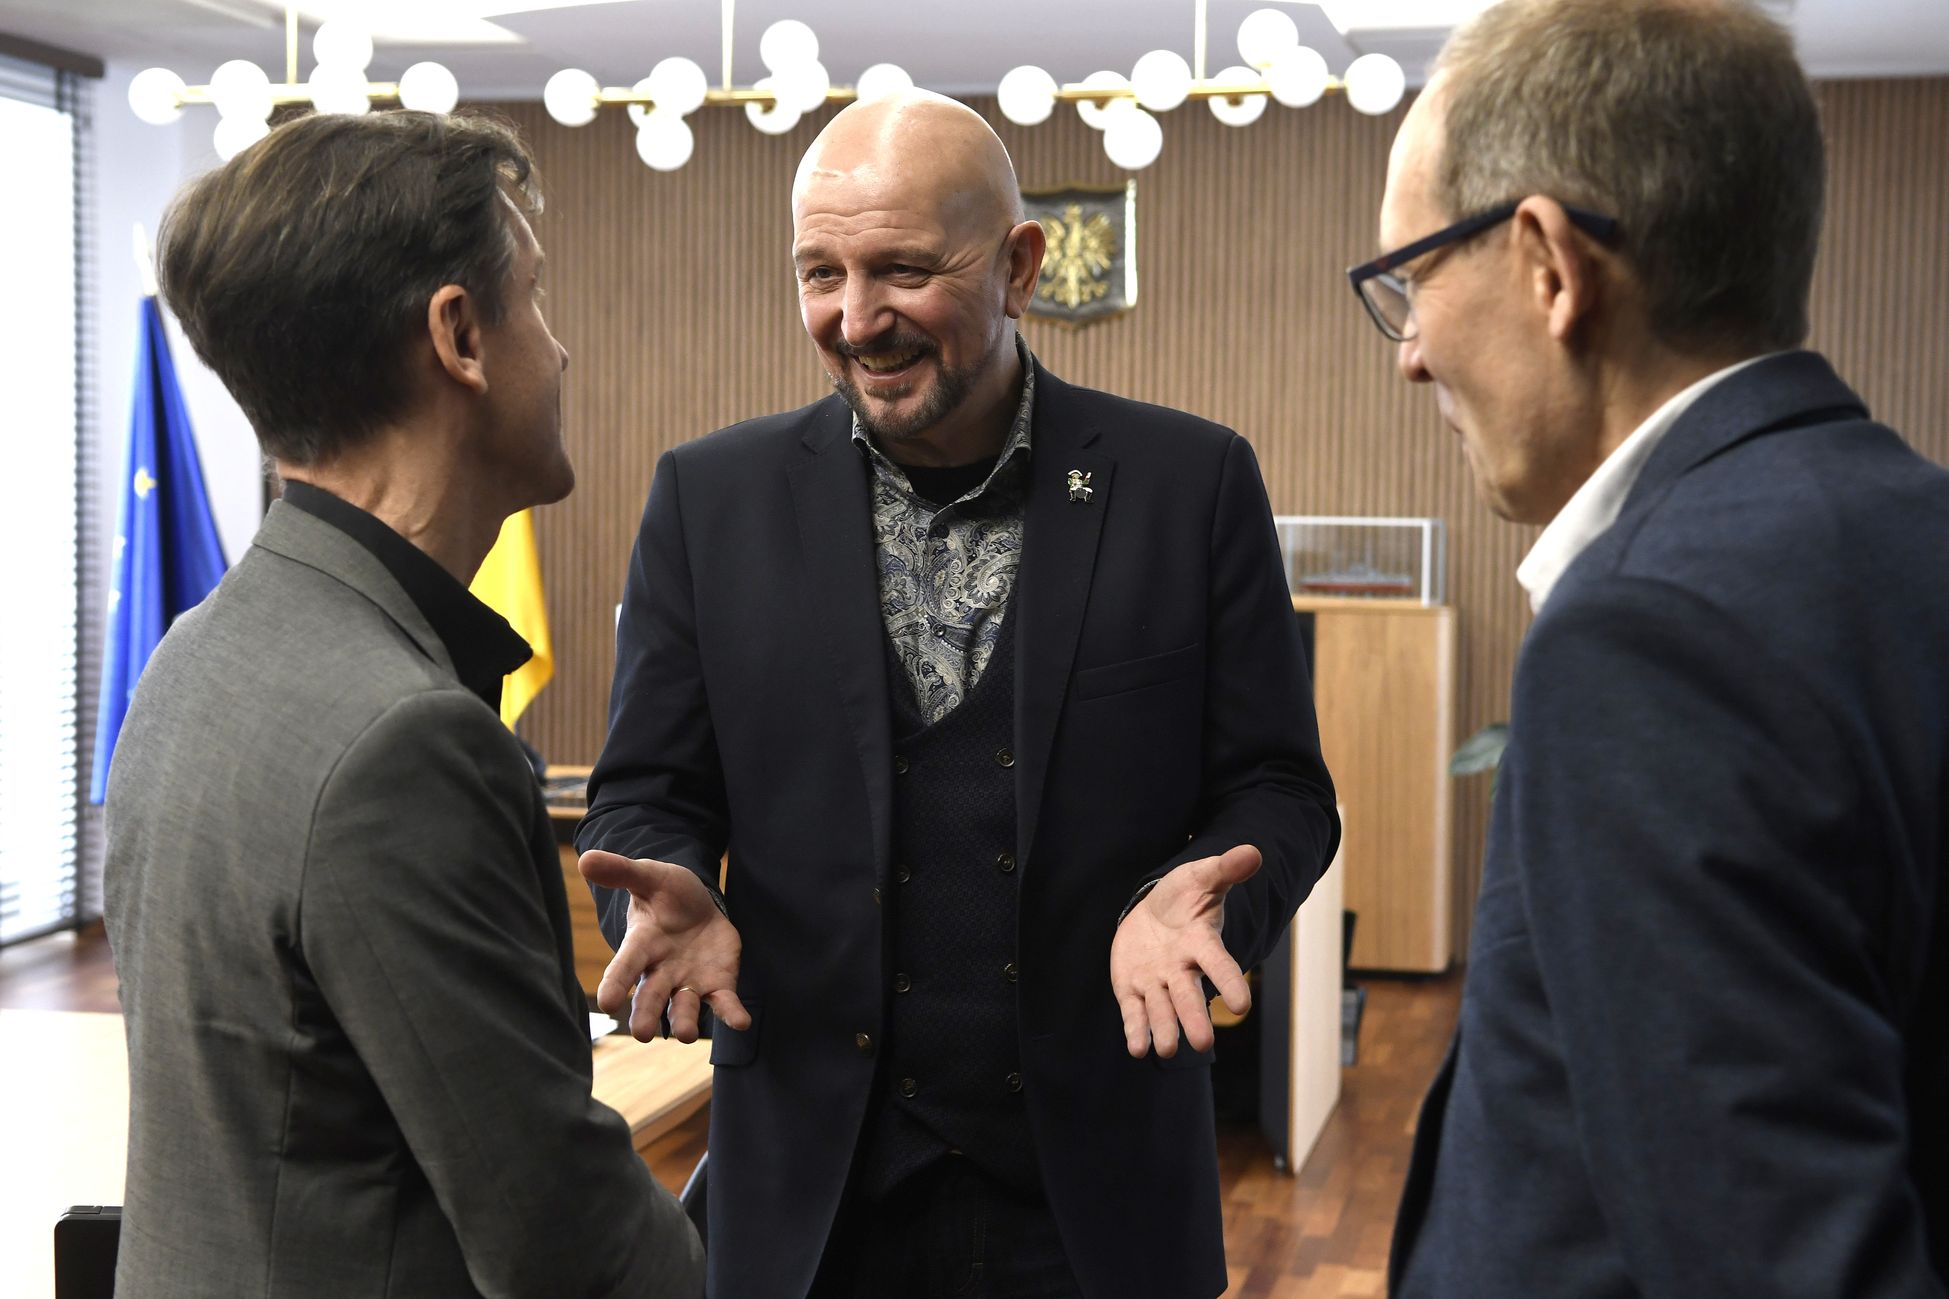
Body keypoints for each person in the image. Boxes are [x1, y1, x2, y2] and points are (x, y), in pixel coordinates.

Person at [577, 90, 1339, 1298]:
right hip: (810, 1206)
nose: (854, 319)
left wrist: (1204, 907)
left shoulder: (1188, 484)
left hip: (1099, 1200)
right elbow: (645, 797)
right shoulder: (707, 501)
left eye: (902, 270)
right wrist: (666, 896)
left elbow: (1278, 787)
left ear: (1019, 266)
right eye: (819, 274)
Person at [1357, 1, 1949, 1294]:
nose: (1410, 355)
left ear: (1547, 267)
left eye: (1411, 279)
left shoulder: (1647, 634)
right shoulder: (1912, 530)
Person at [102, 111, 703, 1297]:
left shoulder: (192, 656)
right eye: (535, 298)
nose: (560, 352)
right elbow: (564, 1244)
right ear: (459, 335)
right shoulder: (404, 741)